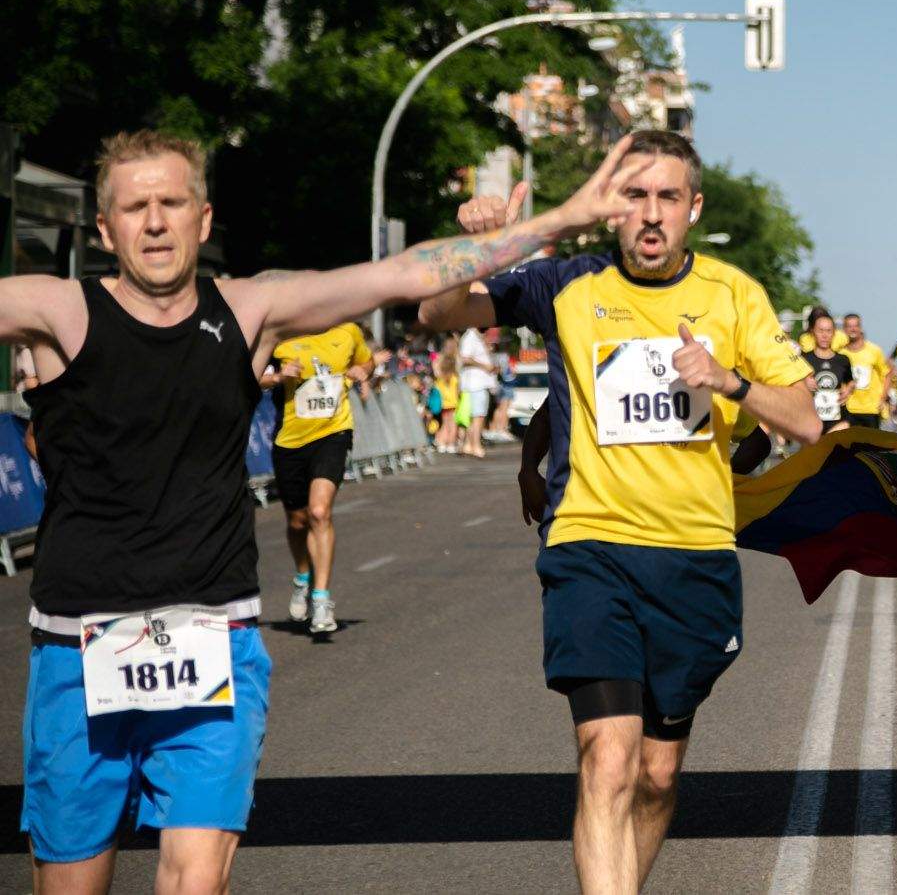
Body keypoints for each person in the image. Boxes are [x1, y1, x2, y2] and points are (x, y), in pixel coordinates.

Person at [0, 127, 643, 892]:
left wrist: (562, 218)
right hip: (78, 644)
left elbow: (399, 275)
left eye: (172, 202)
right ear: (104, 228)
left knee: (193, 880)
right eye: (134, 207)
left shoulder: (249, 309)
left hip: (211, 643)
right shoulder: (56, 312)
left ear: (203, 219)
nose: (155, 221)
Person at [420, 128, 821, 895]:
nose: (650, 213)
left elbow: (804, 418)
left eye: (667, 196)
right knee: (607, 754)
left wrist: (728, 379)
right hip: (589, 546)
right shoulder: (566, 284)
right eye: (634, 195)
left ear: (693, 208)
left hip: (696, 556)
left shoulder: (733, 295)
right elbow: (444, 313)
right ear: (612, 209)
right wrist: (470, 248)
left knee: (657, 774)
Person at [270, 322, 372, 636]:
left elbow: (366, 360)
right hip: (290, 441)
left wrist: (363, 371)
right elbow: (250, 375)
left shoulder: (348, 332)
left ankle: (322, 598)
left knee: (319, 512)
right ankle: (303, 578)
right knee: (298, 521)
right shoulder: (281, 337)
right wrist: (277, 377)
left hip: (333, 434)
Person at [838, 313, 889, 429]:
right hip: (848, 407)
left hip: (871, 408)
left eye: (856, 326)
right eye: (849, 326)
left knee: (871, 445)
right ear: (844, 329)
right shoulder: (841, 354)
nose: (853, 329)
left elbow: (887, 374)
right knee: (851, 445)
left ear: (860, 328)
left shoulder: (874, 350)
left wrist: (883, 398)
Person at [457, 321, 496, 458]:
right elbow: (465, 358)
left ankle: (469, 444)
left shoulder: (476, 337)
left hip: (477, 383)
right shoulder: (470, 337)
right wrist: (484, 366)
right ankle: (476, 445)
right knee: (478, 416)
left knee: (474, 416)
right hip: (475, 383)